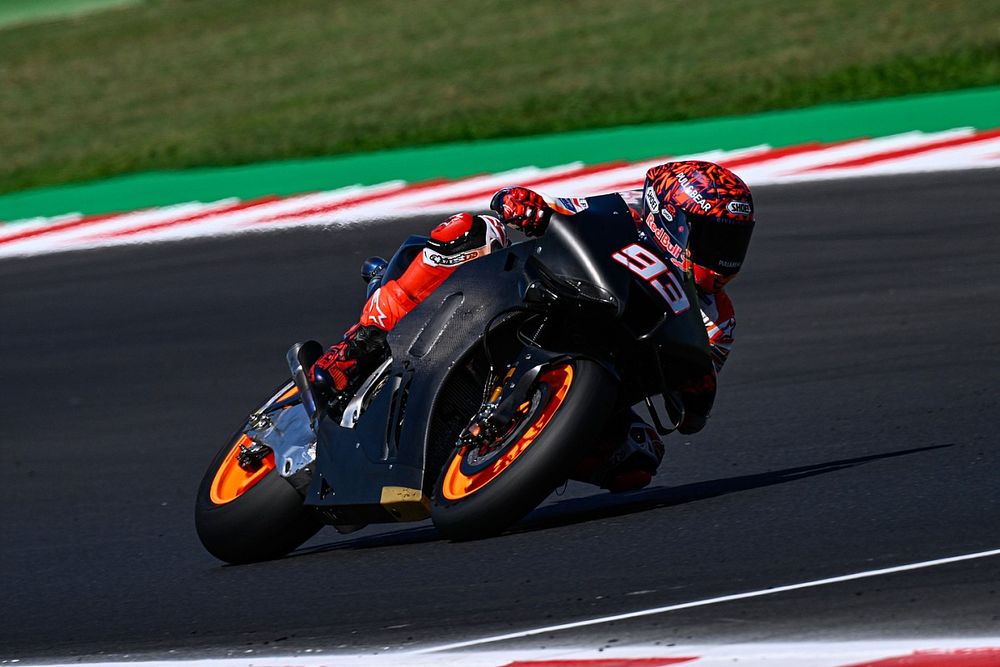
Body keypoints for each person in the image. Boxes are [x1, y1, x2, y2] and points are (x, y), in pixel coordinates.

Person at [310, 160, 756, 491]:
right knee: (471, 230)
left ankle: (515, 461)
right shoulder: (624, 212)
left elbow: (690, 414)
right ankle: (360, 343)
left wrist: (698, 388)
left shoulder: (719, 318)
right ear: (669, 218)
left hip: (607, 371)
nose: (724, 257)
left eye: (734, 243)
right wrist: (527, 206)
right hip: (541, 301)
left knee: (637, 459)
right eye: (713, 239)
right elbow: (543, 210)